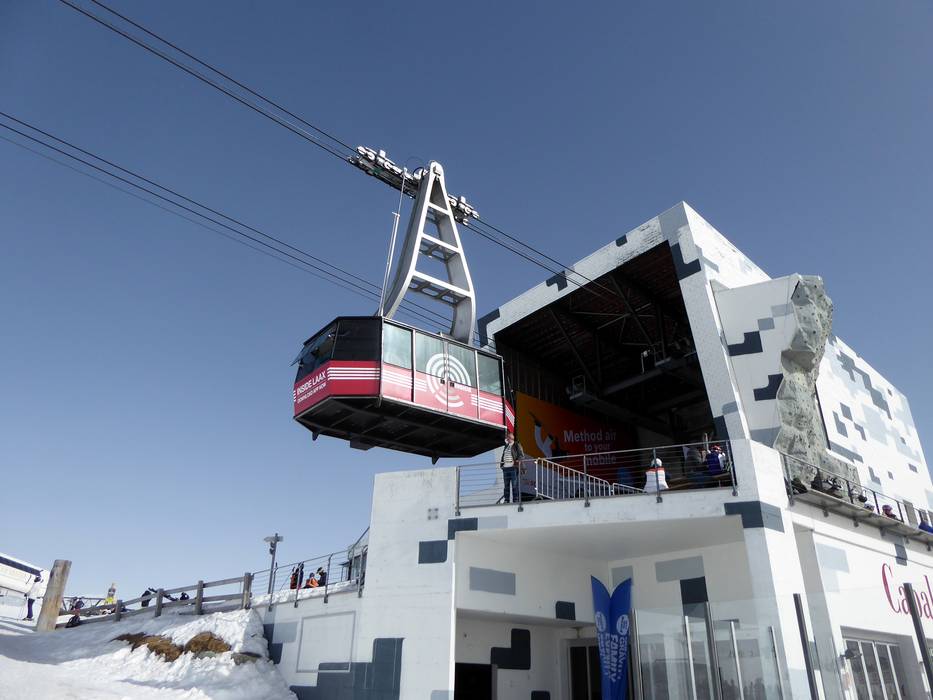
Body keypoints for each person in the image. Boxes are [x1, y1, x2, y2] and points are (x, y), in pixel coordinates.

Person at [499, 431, 525, 504]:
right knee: (506, 486)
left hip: (513, 468)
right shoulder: (506, 446)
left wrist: (517, 461)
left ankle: (515, 500)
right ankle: (506, 500)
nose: (507, 439)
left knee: (514, 485)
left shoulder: (516, 444)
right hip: (505, 468)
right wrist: (501, 465)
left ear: (511, 438)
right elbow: (503, 455)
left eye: (508, 438)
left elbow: (521, 455)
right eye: (507, 438)